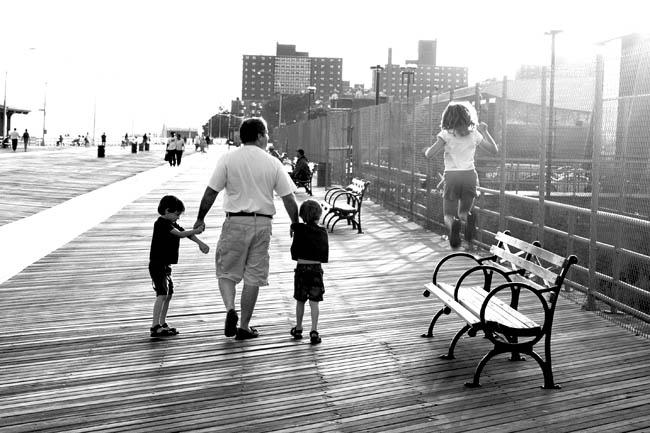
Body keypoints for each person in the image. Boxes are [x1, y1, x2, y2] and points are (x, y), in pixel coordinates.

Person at [194, 117, 299, 340]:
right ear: (260, 136)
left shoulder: (228, 159)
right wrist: (295, 224)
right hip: (262, 224)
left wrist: (200, 218)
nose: (268, 137)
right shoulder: (272, 162)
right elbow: (289, 199)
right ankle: (244, 326)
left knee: (226, 271)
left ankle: (230, 308)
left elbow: (211, 192)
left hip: (235, 222)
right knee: (254, 276)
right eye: (267, 133)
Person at [424, 101, 498, 248]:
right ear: (468, 117)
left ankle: (454, 228)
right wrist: (485, 131)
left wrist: (425, 151)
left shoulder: (445, 134)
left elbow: (430, 154)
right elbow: (494, 150)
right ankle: (467, 220)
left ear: (447, 118)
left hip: (452, 177)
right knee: (464, 212)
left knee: (448, 215)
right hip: (469, 176)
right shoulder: (474, 134)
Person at [149, 195, 210, 338]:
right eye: (177, 214)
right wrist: (196, 230)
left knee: (168, 295)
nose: (178, 218)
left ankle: (162, 323)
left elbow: (185, 233)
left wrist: (200, 243)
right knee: (162, 294)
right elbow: (181, 234)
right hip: (157, 265)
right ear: (167, 211)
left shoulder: (170, 222)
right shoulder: (161, 223)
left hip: (165, 265)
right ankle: (154, 326)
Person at [289, 199, 329, 345]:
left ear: (302, 215)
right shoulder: (322, 232)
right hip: (316, 270)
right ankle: (314, 330)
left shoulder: (299, 229)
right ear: (318, 215)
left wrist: (294, 227)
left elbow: (294, 252)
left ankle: (298, 328)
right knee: (314, 302)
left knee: (300, 300)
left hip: (301, 268)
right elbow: (324, 254)